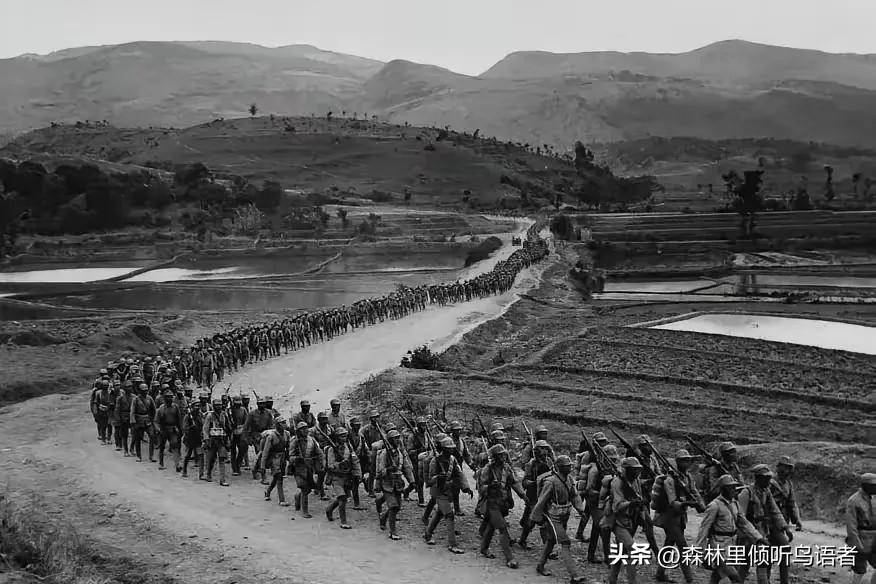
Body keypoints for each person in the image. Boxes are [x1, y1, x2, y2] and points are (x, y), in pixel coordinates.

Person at [694, 474, 766, 584]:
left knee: (717, 577)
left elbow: (744, 523)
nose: (734, 490)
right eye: (730, 487)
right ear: (723, 489)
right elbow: (704, 528)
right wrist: (699, 550)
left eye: (734, 487)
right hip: (718, 547)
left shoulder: (735, 504)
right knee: (734, 577)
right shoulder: (714, 505)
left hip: (731, 545)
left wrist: (758, 538)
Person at [530, 454, 588, 584]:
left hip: (564, 515)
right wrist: (535, 518)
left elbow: (574, 495)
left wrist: (580, 509)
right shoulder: (551, 482)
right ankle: (574, 575)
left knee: (551, 541)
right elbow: (541, 501)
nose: (570, 468)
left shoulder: (569, 479)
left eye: (570, 466)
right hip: (552, 516)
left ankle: (540, 565)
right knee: (565, 542)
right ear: (560, 467)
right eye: (567, 466)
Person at [653, 449, 705, 584]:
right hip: (669, 517)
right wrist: (688, 503)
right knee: (683, 547)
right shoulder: (669, 480)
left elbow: (694, 492)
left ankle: (660, 573)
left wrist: (700, 504)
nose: (686, 463)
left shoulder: (687, 477)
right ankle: (690, 579)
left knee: (669, 545)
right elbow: (672, 502)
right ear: (677, 462)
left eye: (688, 460)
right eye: (683, 460)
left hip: (680, 517)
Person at [738, 464, 794, 584]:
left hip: (762, 532)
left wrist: (785, 527)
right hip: (747, 536)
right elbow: (741, 519)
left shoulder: (766, 492)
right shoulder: (746, 493)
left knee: (764, 563)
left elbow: (775, 511)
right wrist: (755, 536)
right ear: (758, 478)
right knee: (743, 566)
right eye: (766, 478)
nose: (769, 481)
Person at [477, 443, 527, 569]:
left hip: (502, 503)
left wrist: (523, 495)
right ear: (494, 457)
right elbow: (480, 488)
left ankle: (484, 548)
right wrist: (490, 486)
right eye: (500, 455)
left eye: (503, 455)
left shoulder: (506, 468)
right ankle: (510, 558)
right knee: (502, 528)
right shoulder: (487, 469)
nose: (503, 457)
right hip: (491, 503)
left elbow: (514, 483)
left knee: (491, 526)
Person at [424, 436, 472, 553]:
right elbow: (430, 479)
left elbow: (459, 474)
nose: (451, 450)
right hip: (437, 490)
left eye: (452, 448)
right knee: (449, 515)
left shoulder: (452, 460)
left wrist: (466, 487)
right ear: (443, 449)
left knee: (440, 513)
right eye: (448, 448)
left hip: (446, 490)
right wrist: (438, 477)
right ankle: (452, 544)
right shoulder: (435, 461)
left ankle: (428, 533)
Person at [606, 457, 649, 584]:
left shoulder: (636, 481)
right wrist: (631, 503)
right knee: (632, 549)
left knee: (621, 551)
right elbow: (617, 506)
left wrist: (643, 518)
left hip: (632, 520)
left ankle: (612, 580)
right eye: (633, 470)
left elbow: (640, 500)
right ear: (627, 470)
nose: (636, 473)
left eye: (637, 470)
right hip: (619, 521)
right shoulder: (617, 482)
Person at [376, 429, 414, 540]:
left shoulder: (400, 453)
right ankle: (393, 532)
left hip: (398, 483)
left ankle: (383, 517)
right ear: (390, 440)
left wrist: (412, 481)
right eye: (395, 438)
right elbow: (380, 471)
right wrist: (388, 469)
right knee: (393, 506)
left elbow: (406, 467)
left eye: (398, 437)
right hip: (386, 483)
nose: (398, 440)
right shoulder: (384, 453)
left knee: (398, 507)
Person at [517, 439, 554, 550]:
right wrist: (535, 483)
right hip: (533, 495)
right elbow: (525, 481)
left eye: (546, 449)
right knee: (531, 521)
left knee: (545, 520)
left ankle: (547, 547)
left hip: (545, 494)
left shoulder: (549, 462)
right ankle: (523, 540)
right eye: (542, 449)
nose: (544, 452)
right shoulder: (531, 464)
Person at [324, 426, 361, 529]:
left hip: (347, 476)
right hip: (336, 477)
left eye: (345, 436)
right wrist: (340, 464)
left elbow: (355, 460)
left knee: (343, 497)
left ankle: (330, 509)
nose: (343, 438)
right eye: (341, 436)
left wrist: (357, 473)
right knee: (342, 498)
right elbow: (330, 465)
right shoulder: (331, 449)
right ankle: (343, 522)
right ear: (336, 437)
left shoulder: (349, 447)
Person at [289, 421, 324, 519]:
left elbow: (319, 452)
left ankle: (298, 496)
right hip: (299, 468)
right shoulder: (295, 441)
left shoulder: (311, 440)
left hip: (309, 467)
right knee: (304, 488)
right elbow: (290, 456)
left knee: (309, 488)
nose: (305, 431)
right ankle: (305, 511)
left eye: (306, 428)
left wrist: (322, 462)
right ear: (299, 431)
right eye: (302, 429)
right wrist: (297, 458)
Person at [846, 473, 876, 584]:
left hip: (874, 540)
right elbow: (851, 526)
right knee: (859, 571)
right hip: (861, 538)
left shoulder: (874, 498)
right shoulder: (853, 501)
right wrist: (857, 545)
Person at [260, 416, 291, 507]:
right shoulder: (271, 436)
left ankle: (268, 491)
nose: (284, 425)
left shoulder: (287, 434)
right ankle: (282, 499)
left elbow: (288, 448)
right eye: (282, 423)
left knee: (276, 477)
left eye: (285, 422)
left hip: (282, 458)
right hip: (274, 458)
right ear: (277, 425)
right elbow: (265, 451)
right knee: (279, 477)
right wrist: (263, 465)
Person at [245, 394, 275, 484]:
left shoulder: (268, 413)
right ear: (257, 404)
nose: (262, 405)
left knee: (265, 455)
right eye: (260, 404)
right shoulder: (252, 414)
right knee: (260, 454)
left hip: (266, 435)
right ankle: (263, 476)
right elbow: (246, 427)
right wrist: (247, 439)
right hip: (256, 437)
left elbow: (271, 425)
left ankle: (256, 469)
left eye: (263, 404)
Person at [202, 397, 232, 486]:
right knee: (211, 459)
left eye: (219, 405)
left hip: (221, 439)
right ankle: (208, 474)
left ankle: (222, 479)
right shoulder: (210, 416)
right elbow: (205, 429)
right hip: (212, 440)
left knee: (222, 459)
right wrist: (206, 439)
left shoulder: (224, 415)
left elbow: (228, 427)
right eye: (216, 405)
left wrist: (229, 439)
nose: (218, 407)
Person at [770, 456, 803, 532]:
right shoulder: (770, 482)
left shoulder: (788, 484)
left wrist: (797, 519)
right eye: (784, 468)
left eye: (788, 468)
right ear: (779, 468)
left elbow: (792, 502)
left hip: (784, 515)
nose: (786, 471)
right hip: (771, 516)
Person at [154, 390, 183, 472]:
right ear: (164, 398)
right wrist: (158, 429)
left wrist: (180, 430)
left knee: (175, 446)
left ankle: (177, 464)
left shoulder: (175, 407)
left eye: (171, 397)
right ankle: (161, 463)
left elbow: (179, 419)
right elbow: (156, 421)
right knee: (162, 447)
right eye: (167, 397)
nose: (169, 398)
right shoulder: (161, 408)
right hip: (163, 429)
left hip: (173, 429)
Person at [403, 416, 429, 506]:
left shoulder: (427, 435)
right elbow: (409, 451)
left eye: (425, 425)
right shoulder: (412, 436)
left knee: (421, 480)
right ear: (418, 426)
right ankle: (421, 500)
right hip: (415, 461)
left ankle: (406, 492)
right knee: (418, 481)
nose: (424, 427)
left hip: (425, 459)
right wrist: (418, 450)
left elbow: (429, 446)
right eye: (422, 425)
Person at [129, 383, 156, 463]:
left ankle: (151, 456)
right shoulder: (136, 399)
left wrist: (154, 420)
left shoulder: (149, 398)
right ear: (140, 391)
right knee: (137, 439)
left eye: (146, 390)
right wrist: (132, 421)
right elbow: (132, 411)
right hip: (138, 421)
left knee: (152, 436)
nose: (145, 392)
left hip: (147, 420)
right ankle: (138, 456)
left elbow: (153, 410)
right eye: (143, 391)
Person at [182, 400, 205, 479]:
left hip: (198, 438)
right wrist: (191, 427)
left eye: (199, 406)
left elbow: (203, 425)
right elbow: (185, 428)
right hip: (190, 439)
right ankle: (184, 470)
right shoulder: (188, 416)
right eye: (196, 406)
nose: (197, 407)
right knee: (187, 455)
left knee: (201, 456)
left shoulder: (201, 415)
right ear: (192, 407)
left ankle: (201, 474)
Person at [228, 394, 248, 476]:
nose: (238, 404)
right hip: (232, 432)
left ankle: (238, 465)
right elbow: (228, 421)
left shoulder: (243, 410)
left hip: (241, 432)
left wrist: (242, 427)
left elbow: (246, 421)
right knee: (233, 451)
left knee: (242, 450)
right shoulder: (229, 410)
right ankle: (234, 468)